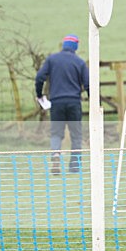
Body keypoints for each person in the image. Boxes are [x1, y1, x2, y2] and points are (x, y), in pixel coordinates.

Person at [35, 34, 89, 174]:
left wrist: (40, 95)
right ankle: (75, 166)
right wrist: (95, 103)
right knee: (76, 135)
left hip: (56, 102)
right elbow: (88, 84)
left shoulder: (52, 60)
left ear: (64, 45)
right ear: (75, 47)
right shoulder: (79, 62)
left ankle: (56, 154)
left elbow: (39, 77)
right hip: (74, 102)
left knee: (56, 133)